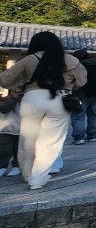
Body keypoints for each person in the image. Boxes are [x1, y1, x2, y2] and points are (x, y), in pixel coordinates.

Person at [0, 32, 86, 189]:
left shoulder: (28, 59)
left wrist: (19, 87)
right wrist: (70, 86)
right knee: (50, 142)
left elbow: (5, 79)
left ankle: (27, 174)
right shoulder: (71, 60)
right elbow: (82, 80)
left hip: (32, 99)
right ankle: (37, 179)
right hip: (60, 100)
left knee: (27, 140)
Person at [69, 50, 96, 144]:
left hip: (81, 93)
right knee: (93, 115)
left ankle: (79, 137)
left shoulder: (77, 66)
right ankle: (92, 136)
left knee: (78, 116)